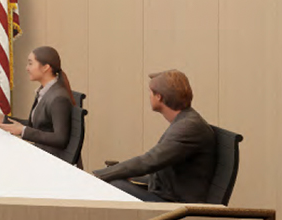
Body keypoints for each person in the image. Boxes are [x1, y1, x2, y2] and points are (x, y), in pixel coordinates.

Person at [93, 70, 217, 202]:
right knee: (116, 181)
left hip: (179, 205)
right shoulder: (185, 121)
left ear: (159, 97)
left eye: (150, 93)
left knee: (113, 187)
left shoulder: (188, 127)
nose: (149, 97)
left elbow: (148, 162)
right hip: (168, 192)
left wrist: (99, 176)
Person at [0, 46, 75, 159]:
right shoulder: (45, 92)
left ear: (45, 67)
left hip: (51, 160)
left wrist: (23, 131)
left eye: (30, 63)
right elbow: (35, 126)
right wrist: (4, 119)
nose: (27, 68)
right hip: (41, 153)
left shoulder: (58, 98)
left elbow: (60, 139)